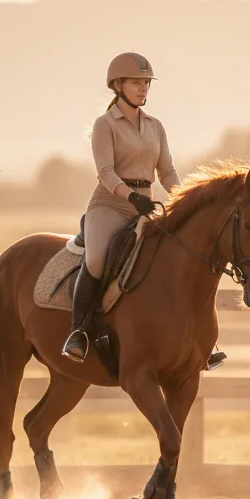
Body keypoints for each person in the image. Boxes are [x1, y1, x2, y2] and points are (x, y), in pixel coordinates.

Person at [61, 52, 226, 370]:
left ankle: (202, 338)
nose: (143, 89)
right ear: (117, 85)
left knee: (179, 257)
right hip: (110, 204)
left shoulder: (156, 126)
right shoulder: (104, 125)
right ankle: (78, 332)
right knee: (96, 259)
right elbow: (105, 172)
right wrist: (131, 198)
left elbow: (167, 171)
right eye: (137, 83)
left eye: (146, 83)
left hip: (148, 204)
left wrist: (184, 200)